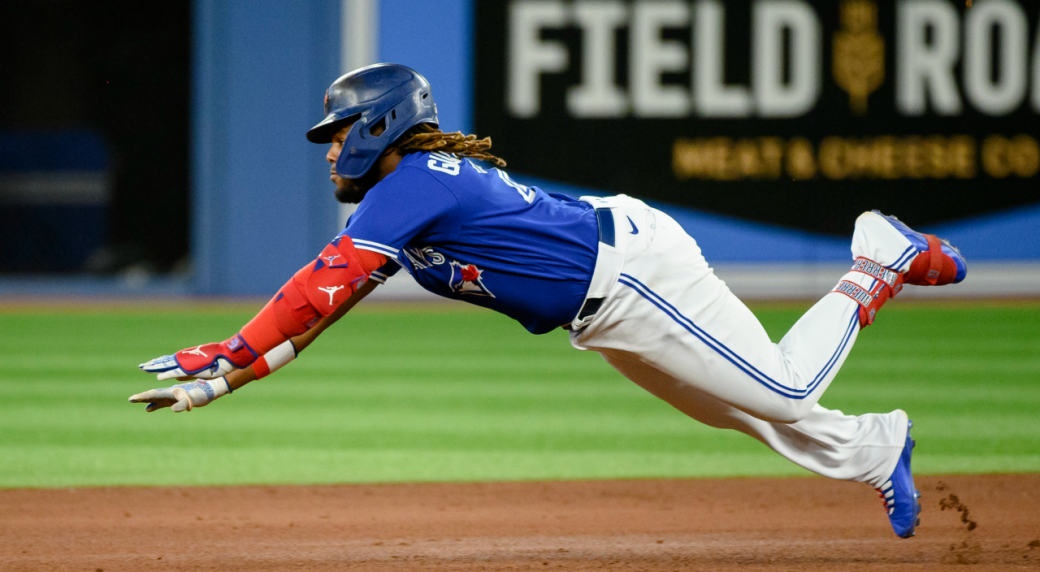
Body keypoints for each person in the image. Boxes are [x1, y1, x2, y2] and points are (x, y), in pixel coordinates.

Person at [131, 64, 967, 539]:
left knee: (780, 389)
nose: (330, 151)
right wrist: (242, 373)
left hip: (634, 274)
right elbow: (332, 304)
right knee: (736, 409)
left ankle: (875, 258)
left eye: (340, 133)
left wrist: (236, 353)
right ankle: (873, 448)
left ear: (383, 126)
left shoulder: (414, 181)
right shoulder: (409, 197)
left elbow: (321, 282)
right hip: (605, 303)